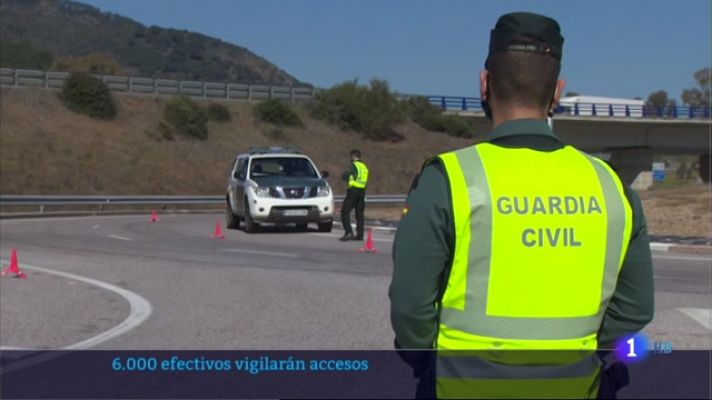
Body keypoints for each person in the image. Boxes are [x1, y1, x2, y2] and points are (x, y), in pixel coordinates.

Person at [389, 12, 654, 398]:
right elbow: (635, 308)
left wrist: (433, 361)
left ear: (484, 83)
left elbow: (411, 309)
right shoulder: (611, 186)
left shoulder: (449, 179)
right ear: (557, 91)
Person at [339, 149, 369, 241]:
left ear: (353, 156)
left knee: (344, 211)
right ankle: (360, 235)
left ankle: (348, 232)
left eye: (350, 157)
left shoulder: (353, 166)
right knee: (359, 213)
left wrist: (346, 176)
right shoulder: (364, 167)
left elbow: (344, 176)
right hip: (362, 192)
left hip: (353, 191)